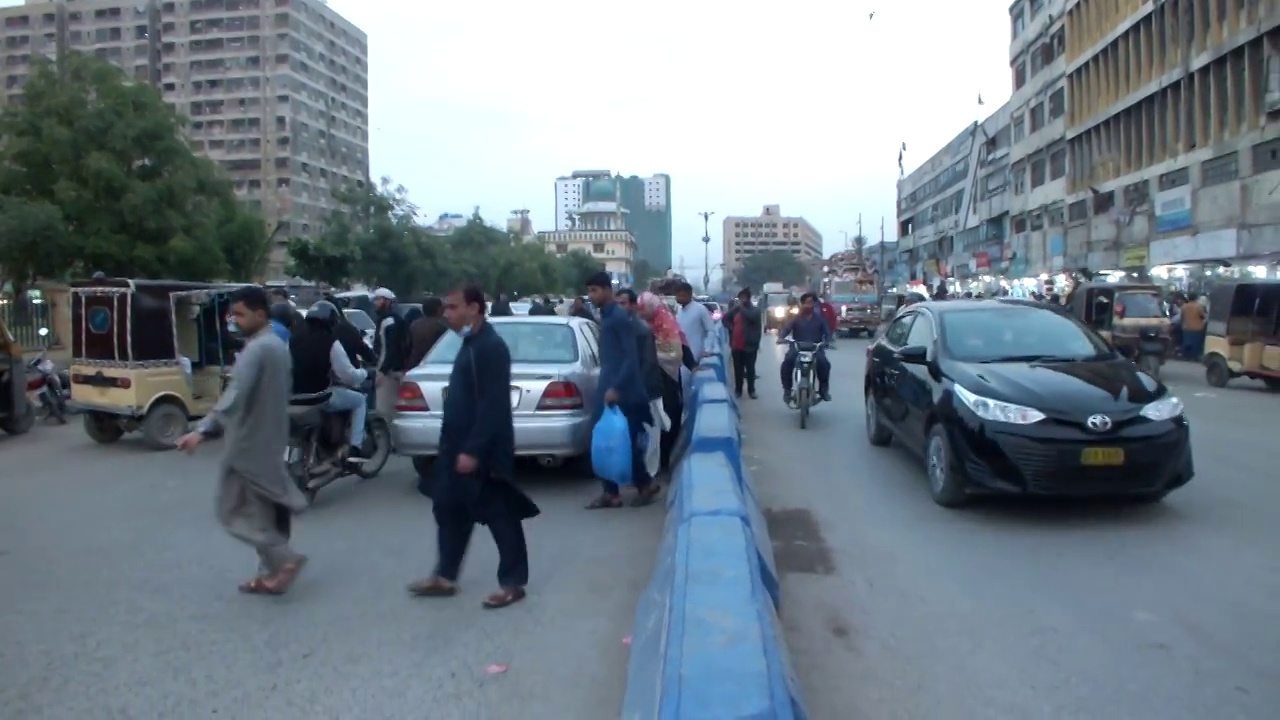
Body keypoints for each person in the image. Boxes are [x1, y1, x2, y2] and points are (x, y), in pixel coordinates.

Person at [406, 284, 539, 609]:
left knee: (500, 514)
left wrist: (474, 451)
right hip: (455, 446)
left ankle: (512, 582)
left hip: (483, 450)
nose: (447, 313)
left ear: (475, 308)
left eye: (453, 307)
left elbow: (493, 405)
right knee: (449, 509)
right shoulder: (468, 343)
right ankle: (445, 576)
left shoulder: (491, 348)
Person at [176, 286, 309, 595]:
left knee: (230, 511)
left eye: (239, 314)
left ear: (260, 314)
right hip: (270, 439)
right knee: (262, 512)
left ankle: (284, 559)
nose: (234, 320)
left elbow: (234, 395)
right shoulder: (276, 345)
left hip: (247, 444)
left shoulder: (258, 349)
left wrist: (202, 429)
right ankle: (269, 573)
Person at [585, 272, 660, 508]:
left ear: (608, 290)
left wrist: (616, 387)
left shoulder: (618, 317)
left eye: (595, 290)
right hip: (611, 388)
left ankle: (641, 485)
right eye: (589, 291)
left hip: (623, 392)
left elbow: (630, 357)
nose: (591, 295)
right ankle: (614, 491)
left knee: (623, 441)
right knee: (608, 440)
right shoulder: (606, 317)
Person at [292, 301, 370, 461]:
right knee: (360, 401)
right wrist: (363, 373)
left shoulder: (293, 339)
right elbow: (347, 374)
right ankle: (356, 447)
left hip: (293, 397)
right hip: (319, 397)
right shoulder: (330, 341)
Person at [636, 291, 697, 472]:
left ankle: (664, 461)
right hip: (647, 377)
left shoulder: (666, 322)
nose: (642, 313)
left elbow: (679, 346)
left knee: (670, 416)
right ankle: (651, 463)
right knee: (651, 421)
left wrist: (692, 365)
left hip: (667, 376)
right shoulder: (639, 324)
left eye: (644, 309)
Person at [617, 289, 668, 478]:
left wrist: (637, 388)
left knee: (650, 436)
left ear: (632, 306)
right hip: (630, 392)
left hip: (647, 390)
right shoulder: (621, 328)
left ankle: (649, 477)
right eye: (618, 304)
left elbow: (647, 363)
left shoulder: (642, 330)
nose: (620, 308)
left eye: (623, 304)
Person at [777, 293, 833, 404]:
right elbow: (786, 329)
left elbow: (827, 333)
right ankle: (787, 390)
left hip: (815, 348)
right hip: (797, 348)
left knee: (824, 364)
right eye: (807, 303)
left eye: (811, 303)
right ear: (802, 304)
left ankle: (823, 390)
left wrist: (827, 342)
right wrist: (781, 338)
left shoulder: (820, 319)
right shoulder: (795, 319)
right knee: (787, 363)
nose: (809, 305)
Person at [371, 287, 408, 418]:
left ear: (386, 301)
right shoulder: (394, 319)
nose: (375, 303)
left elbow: (389, 348)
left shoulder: (388, 320)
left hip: (388, 372)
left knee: (384, 411)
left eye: (378, 299)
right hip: (394, 370)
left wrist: (382, 370)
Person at [722, 288, 762, 399]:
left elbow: (750, 316)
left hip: (750, 345)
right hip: (736, 344)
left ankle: (751, 390)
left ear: (748, 298)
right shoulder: (735, 310)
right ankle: (738, 390)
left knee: (750, 369)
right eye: (741, 298)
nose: (742, 300)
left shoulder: (755, 311)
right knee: (738, 369)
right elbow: (725, 319)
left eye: (744, 297)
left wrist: (742, 307)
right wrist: (732, 328)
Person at [674, 282, 717, 360]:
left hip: (697, 354)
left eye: (682, 296)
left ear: (690, 295)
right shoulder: (679, 311)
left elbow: (711, 330)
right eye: (678, 296)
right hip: (682, 355)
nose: (679, 298)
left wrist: (707, 349)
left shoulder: (700, 309)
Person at [1180, 292, 1206, 360]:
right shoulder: (1199, 306)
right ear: (1196, 298)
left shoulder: (1184, 306)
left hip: (1186, 328)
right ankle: (1194, 357)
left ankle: (1186, 356)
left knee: (1186, 342)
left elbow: (1182, 317)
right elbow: (1203, 316)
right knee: (1196, 343)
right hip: (1197, 328)